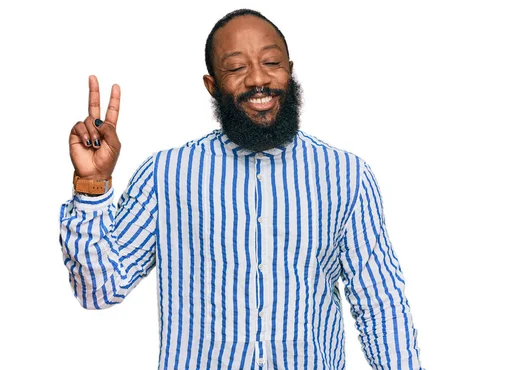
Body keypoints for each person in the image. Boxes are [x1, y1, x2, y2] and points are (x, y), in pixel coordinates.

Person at [59, 8, 422, 370]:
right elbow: (99, 290)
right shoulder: (166, 174)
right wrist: (93, 186)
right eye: (236, 68)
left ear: (290, 71)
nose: (258, 79)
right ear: (212, 85)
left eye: (271, 62)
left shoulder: (346, 176)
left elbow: (380, 304)